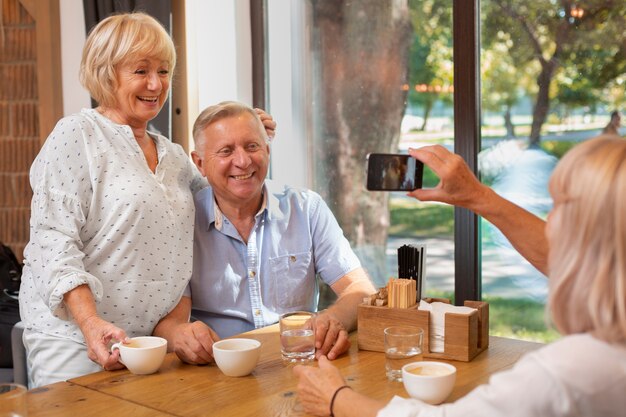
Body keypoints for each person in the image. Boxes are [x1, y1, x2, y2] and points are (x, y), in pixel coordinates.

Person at [18, 13, 276, 388]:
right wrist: (90, 323)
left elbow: (225, 191)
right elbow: (52, 242)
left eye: (164, 70)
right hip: (74, 341)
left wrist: (249, 137)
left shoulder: (173, 157)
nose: (156, 84)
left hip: (147, 346)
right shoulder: (78, 134)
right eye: (140, 71)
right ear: (107, 73)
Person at [293, 136, 626, 416]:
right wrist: (476, 195)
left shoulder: (571, 371)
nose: (548, 223)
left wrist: (337, 398)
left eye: (559, 206)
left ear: (595, 235)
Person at [153, 101, 376, 364]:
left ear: (267, 151)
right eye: (226, 151)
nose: (243, 161)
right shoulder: (182, 222)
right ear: (200, 163)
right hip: (217, 371)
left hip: (297, 363)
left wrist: (333, 318)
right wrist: (181, 335)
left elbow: (360, 289)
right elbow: (168, 325)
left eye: (252, 146)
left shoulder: (306, 209)